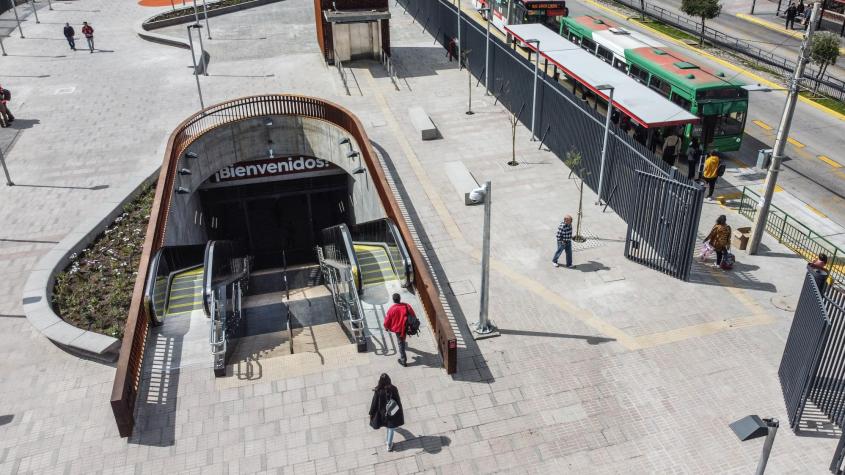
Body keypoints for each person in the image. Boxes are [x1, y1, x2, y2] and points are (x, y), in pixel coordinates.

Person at [368, 373, 405, 452]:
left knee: (389, 427)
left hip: (382, 414)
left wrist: (371, 413)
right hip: (392, 413)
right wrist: (399, 411)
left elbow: (374, 403)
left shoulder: (378, 390)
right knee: (391, 428)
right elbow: (398, 400)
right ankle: (389, 445)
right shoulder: (393, 389)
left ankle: (388, 443)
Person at [383, 293, 415, 367]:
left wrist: (386, 327)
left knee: (401, 344)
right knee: (402, 341)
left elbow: (387, 320)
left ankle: (403, 360)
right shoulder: (406, 306)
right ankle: (403, 341)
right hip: (406, 327)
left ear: (393, 300)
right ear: (400, 298)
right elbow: (413, 315)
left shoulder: (391, 309)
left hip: (398, 329)